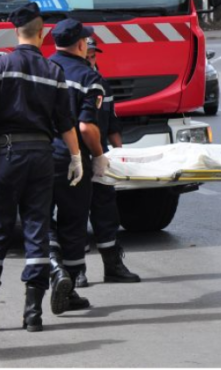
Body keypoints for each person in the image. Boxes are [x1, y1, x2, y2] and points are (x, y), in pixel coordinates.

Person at [0, 2, 83, 333]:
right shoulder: (55, 73)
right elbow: (66, 122)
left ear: (16, 32)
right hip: (42, 156)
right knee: (37, 229)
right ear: (43, 34)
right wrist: (77, 157)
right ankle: (33, 315)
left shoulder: (1, 64)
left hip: (7, 155)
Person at [45, 19, 110, 314]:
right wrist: (98, 156)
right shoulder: (87, 77)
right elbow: (85, 127)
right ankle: (67, 287)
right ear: (82, 44)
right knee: (73, 222)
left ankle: (53, 265)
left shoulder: (42, 69)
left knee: (40, 219)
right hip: (72, 160)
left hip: (36, 156)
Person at [74, 38, 140, 288]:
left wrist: (121, 157)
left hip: (101, 155)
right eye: (88, 55)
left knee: (106, 212)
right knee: (76, 214)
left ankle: (112, 266)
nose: (91, 60)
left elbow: (112, 124)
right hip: (77, 157)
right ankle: (76, 269)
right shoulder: (70, 81)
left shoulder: (102, 84)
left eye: (94, 56)